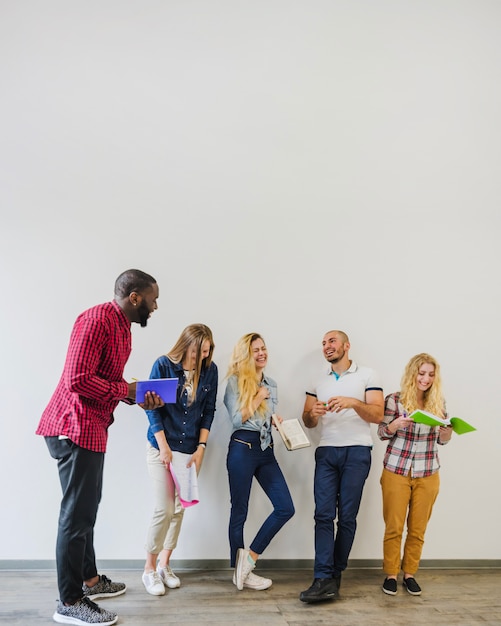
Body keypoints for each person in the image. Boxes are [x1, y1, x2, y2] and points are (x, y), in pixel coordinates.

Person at [36, 269, 162, 626]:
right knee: (76, 516)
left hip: (91, 429)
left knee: (87, 510)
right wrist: (126, 391)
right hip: (71, 427)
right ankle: (69, 601)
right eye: (153, 299)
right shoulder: (96, 319)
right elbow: (77, 379)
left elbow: (106, 379)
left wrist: (136, 395)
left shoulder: (122, 328)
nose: (156, 306)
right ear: (135, 297)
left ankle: (89, 581)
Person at [299, 330, 384, 603]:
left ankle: (335, 574)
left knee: (347, 518)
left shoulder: (367, 375)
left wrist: (353, 403)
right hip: (326, 452)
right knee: (323, 516)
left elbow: (378, 414)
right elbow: (308, 420)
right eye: (323, 343)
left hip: (357, 452)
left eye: (332, 341)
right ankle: (322, 577)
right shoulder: (318, 379)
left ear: (346, 346)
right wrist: (312, 414)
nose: (326, 346)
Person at [142, 324, 218, 596]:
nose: (202, 358)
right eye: (199, 352)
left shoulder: (211, 371)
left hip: (189, 450)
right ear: (187, 346)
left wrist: (201, 447)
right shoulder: (163, 365)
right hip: (162, 447)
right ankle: (149, 569)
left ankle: (164, 564)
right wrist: (163, 447)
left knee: (178, 508)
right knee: (163, 508)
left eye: (207, 352)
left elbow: (209, 411)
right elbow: (152, 411)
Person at [224, 333, 295, 591]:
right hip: (242, 448)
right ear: (246, 354)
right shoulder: (234, 382)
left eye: (264, 348)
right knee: (239, 512)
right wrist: (258, 396)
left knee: (285, 507)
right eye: (256, 350)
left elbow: (267, 418)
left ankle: (249, 560)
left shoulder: (271, 383)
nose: (262, 353)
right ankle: (237, 571)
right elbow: (236, 419)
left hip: (266, 449)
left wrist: (280, 423)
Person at [378, 353, 453, 596]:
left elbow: (443, 441)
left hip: (428, 471)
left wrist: (447, 431)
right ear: (413, 374)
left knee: (418, 528)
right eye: (422, 373)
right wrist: (394, 426)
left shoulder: (438, 403)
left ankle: (409, 574)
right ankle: (391, 574)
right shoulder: (394, 400)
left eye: (431, 374)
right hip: (396, 470)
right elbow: (381, 432)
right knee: (394, 526)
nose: (426, 379)